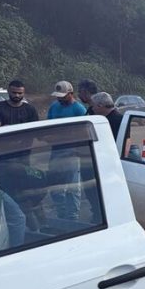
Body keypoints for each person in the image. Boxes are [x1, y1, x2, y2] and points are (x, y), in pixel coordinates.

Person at [47, 81, 86, 220]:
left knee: (73, 187)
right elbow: (48, 126)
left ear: (71, 93)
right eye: (58, 96)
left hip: (72, 152)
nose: (59, 98)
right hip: (55, 151)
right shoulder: (54, 107)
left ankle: (72, 217)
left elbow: (83, 132)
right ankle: (61, 213)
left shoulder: (79, 109)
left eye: (62, 96)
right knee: (55, 186)